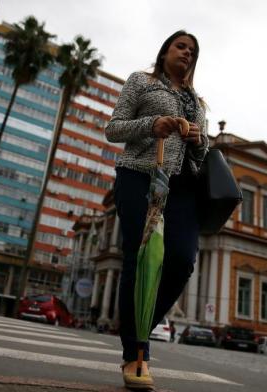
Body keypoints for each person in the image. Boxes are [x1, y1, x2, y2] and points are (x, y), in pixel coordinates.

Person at [105, 30, 208, 390]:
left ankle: (137, 326)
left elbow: (202, 156)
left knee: (181, 260)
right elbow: (113, 129)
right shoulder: (141, 82)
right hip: (139, 177)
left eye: (193, 51)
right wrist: (153, 124)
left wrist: (198, 140)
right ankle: (136, 354)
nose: (187, 54)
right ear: (165, 50)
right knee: (140, 255)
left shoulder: (196, 101)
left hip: (181, 189)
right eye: (181, 47)